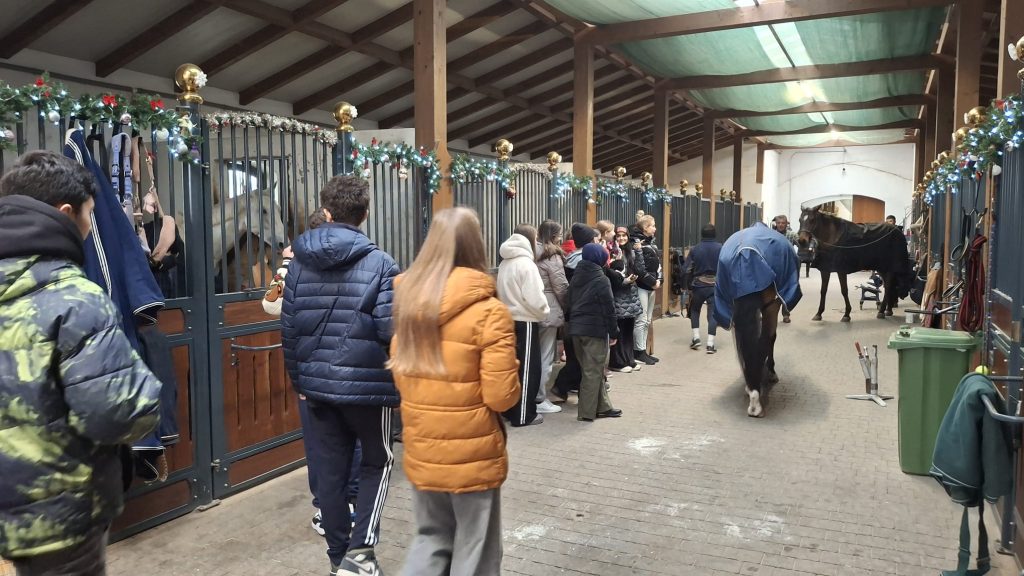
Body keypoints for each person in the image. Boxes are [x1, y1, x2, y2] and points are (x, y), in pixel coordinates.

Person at [0, 151, 162, 574]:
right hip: (62, 508)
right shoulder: (74, 297)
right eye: (90, 214)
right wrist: (146, 394)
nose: (91, 227)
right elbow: (118, 412)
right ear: (65, 213)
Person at [388, 207, 520, 576]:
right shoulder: (489, 312)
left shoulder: (408, 305)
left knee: (431, 539)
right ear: (477, 245)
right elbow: (501, 396)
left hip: (423, 445)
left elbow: (400, 376)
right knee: (475, 549)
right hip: (472, 451)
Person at [281, 174, 400, 576]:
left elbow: (289, 328)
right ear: (364, 214)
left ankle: (338, 558)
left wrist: (299, 383)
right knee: (378, 463)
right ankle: (360, 553)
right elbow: (390, 330)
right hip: (369, 388)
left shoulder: (298, 264)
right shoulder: (381, 263)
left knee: (329, 474)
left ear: (326, 211)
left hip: (316, 385)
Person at [264, 211, 361, 538]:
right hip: (350, 367)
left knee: (321, 442)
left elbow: (272, 305)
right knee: (353, 438)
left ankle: (326, 509)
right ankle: (353, 503)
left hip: (313, 371)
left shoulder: (298, 265)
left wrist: (285, 264)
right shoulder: (360, 257)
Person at [497, 224, 550, 427]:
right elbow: (535, 298)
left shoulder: (505, 262)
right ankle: (523, 415)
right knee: (528, 370)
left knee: (511, 368)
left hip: (507, 319)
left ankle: (510, 410)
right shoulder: (526, 264)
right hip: (525, 320)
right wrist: (544, 312)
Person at [567, 243, 622, 421]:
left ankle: (604, 406)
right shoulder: (601, 279)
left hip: (576, 329)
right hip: (594, 331)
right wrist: (614, 332)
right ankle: (586, 413)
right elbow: (609, 309)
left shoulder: (576, 276)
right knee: (592, 372)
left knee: (591, 369)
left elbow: (568, 302)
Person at [552, 223, 599, 400]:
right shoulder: (586, 262)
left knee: (574, 354)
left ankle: (571, 386)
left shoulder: (569, 258)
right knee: (581, 357)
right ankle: (562, 385)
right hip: (582, 315)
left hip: (571, 313)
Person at [535, 220, 568, 414]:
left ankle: (530, 394)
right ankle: (539, 398)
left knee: (532, 355)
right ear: (554, 236)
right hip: (549, 307)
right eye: (560, 234)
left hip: (530, 308)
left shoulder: (529, 252)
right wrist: (567, 307)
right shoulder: (552, 256)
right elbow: (561, 286)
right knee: (545, 356)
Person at [608, 226, 645, 372]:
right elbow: (610, 275)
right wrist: (624, 281)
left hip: (631, 295)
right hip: (618, 294)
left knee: (629, 329)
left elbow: (640, 270)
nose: (621, 238)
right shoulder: (611, 252)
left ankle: (629, 359)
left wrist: (639, 251)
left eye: (624, 235)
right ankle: (617, 362)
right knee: (619, 330)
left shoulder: (630, 252)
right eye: (618, 235)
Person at [683, 224, 723, 353]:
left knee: (695, 310)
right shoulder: (721, 248)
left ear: (702, 234)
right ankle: (710, 344)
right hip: (714, 286)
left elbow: (686, 269)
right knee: (712, 314)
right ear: (715, 234)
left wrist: (685, 286)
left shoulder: (695, 249)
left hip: (698, 285)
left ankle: (696, 338)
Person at [631, 214, 662, 364]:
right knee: (641, 320)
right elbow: (639, 268)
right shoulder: (637, 243)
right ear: (645, 227)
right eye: (652, 225)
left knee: (648, 320)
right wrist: (653, 282)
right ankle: (638, 351)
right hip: (642, 286)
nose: (655, 228)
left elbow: (658, 265)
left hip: (651, 285)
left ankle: (643, 349)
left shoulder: (650, 243)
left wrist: (659, 280)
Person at [771, 215, 796, 323]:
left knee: (785, 292)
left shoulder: (791, 235)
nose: (780, 225)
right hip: (772, 267)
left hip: (787, 267)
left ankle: (786, 314)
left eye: (783, 223)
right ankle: (768, 313)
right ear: (775, 224)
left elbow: (802, 241)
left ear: (787, 224)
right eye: (779, 223)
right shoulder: (770, 234)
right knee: (770, 292)